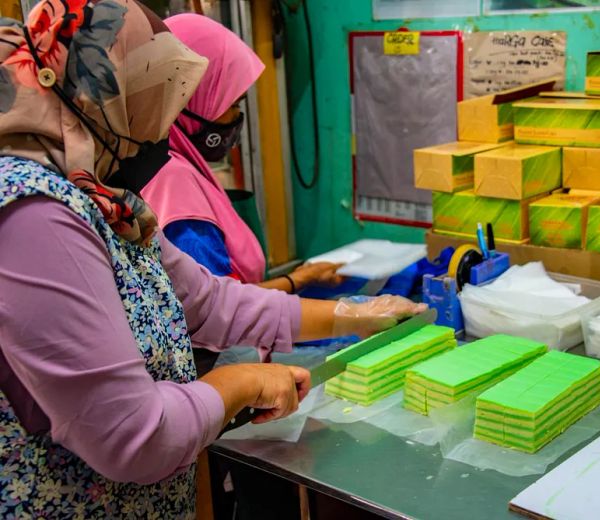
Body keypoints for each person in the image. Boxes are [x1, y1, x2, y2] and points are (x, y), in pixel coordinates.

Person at [0, 1, 425, 517]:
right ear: (98, 91)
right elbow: (131, 436)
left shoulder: (100, 198)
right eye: (151, 100)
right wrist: (238, 383)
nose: (159, 129)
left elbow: (208, 301)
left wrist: (352, 317)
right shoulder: (33, 216)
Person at [141, 13, 340, 295]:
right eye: (231, 104)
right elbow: (217, 308)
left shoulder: (166, 164)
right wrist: (301, 280)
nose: (236, 117)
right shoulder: (173, 182)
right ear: (186, 95)